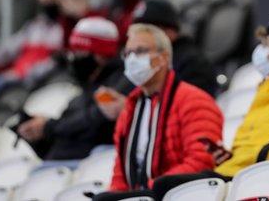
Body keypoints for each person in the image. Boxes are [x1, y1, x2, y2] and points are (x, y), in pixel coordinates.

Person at [95, 17, 269, 201]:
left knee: (160, 187)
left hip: (258, 172)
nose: (260, 49)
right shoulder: (267, 88)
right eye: (128, 53)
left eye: (267, 43)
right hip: (234, 169)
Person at [92, 24, 223, 201]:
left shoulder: (194, 100)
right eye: (128, 53)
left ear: (163, 57)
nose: (132, 59)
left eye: (140, 51)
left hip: (174, 193)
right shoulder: (130, 108)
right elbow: (121, 171)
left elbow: (202, 161)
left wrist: (155, 186)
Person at [17, 17, 133, 162]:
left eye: (80, 51)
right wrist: (38, 135)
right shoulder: (83, 93)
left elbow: (95, 120)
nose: (73, 57)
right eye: (73, 51)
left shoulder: (122, 83)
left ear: (101, 55)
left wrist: (49, 126)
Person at [131, 0, 217, 95]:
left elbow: (191, 103)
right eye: (137, 30)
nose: (140, 36)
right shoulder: (137, 58)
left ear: (169, 30)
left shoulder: (194, 64)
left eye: (147, 30)